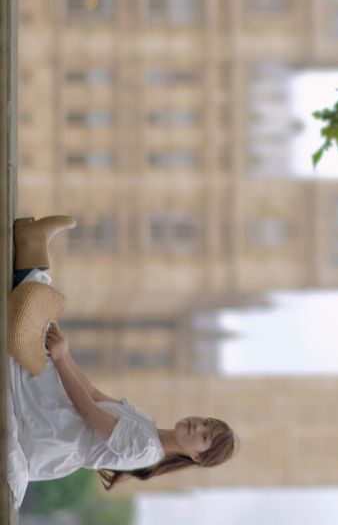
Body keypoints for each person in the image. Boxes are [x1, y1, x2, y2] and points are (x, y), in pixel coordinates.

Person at [7, 216, 237, 509]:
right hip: (60, 415)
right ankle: (32, 242)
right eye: (205, 422)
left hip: (49, 431)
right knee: (43, 333)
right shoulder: (148, 429)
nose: (197, 426)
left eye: (204, 436)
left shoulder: (145, 448)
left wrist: (62, 358)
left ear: (196, 457)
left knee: (31, 332)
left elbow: (89, 411)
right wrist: (64, 354)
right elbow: (92, 393)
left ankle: (32, 243)